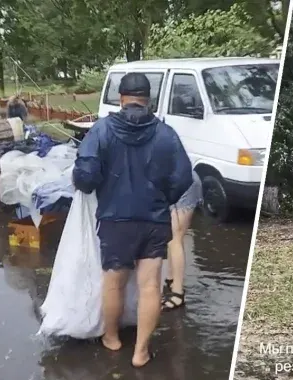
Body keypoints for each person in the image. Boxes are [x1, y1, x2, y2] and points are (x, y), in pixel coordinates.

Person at [72, 72, 193, 368]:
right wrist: (164, 196)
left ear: (121, 98)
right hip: (154, 219)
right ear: (147, 99)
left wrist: (90, 180)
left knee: (114, 283)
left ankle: (111, 338)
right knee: (151, 285)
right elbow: (184, 177)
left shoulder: (100, 131)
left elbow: (85, 178)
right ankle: (141, 351)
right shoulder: (167, 134)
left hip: (115, 221)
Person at [162, 170, 203, 310]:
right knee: (170, 235)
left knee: (175, 238)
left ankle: (178, 293)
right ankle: (170, 279)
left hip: (182, 185)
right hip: (172, 182)